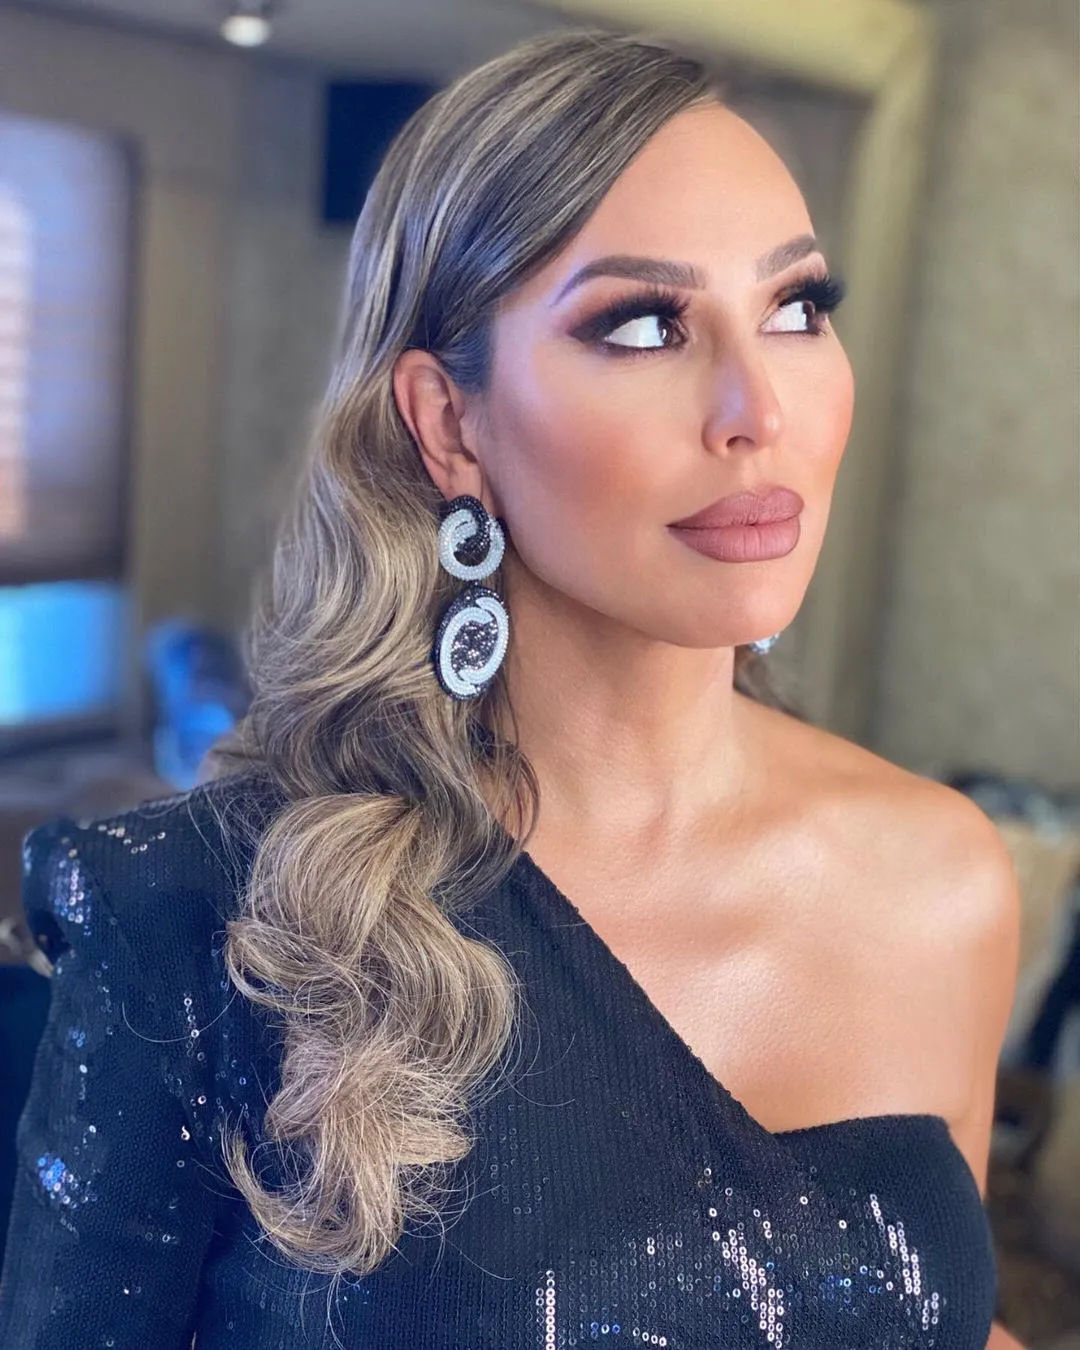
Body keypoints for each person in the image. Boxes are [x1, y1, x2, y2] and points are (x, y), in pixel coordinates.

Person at [0, 28, 1025, 1350]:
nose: (757, 409)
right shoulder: (212, 920)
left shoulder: (940, 878)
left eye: (797, 308)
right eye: (644, 325)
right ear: (450, 423)